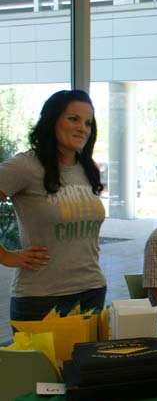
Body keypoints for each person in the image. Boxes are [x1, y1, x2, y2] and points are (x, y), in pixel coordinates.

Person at [0, 90, 107, 321]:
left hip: (92, 291)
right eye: (73, 119)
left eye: (88, 122)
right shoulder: (25, 166)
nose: (83, 128)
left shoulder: (88, 169)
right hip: (41, 299)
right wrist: (5, 255)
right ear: (52, 121)